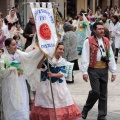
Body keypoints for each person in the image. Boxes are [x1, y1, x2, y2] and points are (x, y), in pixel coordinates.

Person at [30, 42, 82, 120]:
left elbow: (63, 73)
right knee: (48, 102)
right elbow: (39, 66)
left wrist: (53, 75)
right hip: (47, 85)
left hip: (59, 86)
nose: (61, 51)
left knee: (60, 102)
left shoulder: (62, 61)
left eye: (63, 50)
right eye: (60, 49)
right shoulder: (48, 59)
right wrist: (44, 56)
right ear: (55, 49)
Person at [81, 22, 117, 120]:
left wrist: (113, 71)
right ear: (94, 30)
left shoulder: (106, 41)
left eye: (102, 29)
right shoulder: (88, 41)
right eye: (99, 29)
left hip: (104, 69)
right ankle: (86, 109)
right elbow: (85, 56)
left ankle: (102, 115)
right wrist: (84, 72)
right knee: (96, 92)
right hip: (93, 69)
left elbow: (111, 56)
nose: (102, 31)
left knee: (103, 94)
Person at [0, 38, 29, 120]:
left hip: (20, 82)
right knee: (11, 102)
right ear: (7, 47)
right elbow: (2, 74)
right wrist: (10, 69)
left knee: (22, 101)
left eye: (15, 44)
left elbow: (29, 57)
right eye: (13, 45)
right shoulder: (3, 58)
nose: (15, 46)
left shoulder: (19, 54)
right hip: (10, 84)